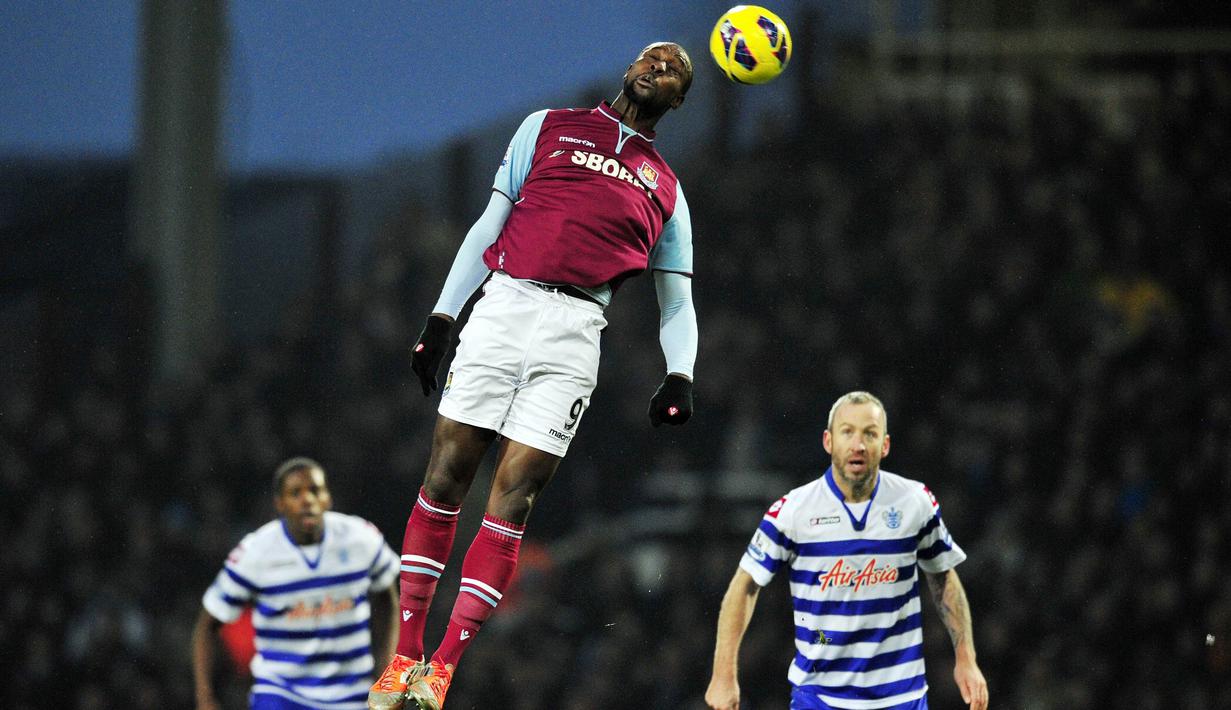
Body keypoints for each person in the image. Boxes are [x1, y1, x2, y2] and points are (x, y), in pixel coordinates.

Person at [368, 41, 698, 710]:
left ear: (678, 101)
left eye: (674, 71)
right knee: (447, 473)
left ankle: (442, 668)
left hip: (576, 335)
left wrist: (679, 375)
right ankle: (403, 655)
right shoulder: (548, 126)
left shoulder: (666, 187)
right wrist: (440, 317)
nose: (658, 66)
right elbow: (490, 221)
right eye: (653, 57)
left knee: (513, 495)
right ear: (630, 68)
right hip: (504, 306)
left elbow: (677, 301)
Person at [704, 392, 990, 710]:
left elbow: (943, 576)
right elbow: (743, 586)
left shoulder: (915, 502)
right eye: (847, 432)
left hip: (902, 699)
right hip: (820, 699)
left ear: (885, 445)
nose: (858, 444)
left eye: (870, 433)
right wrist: (723, 675)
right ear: (828, 441)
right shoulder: (793, 511)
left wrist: (966, 658)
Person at [193, 457, 400, 710]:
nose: (307, 500)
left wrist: (388, 668)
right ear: (280, 504)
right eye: (295, 493)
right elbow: (207, 625)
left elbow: (388, 598)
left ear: (327, 498)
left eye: (315, 490)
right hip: (281, 693)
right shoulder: (255, 553)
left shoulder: (361, 539)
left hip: (352, 693)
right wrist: (205, 698)